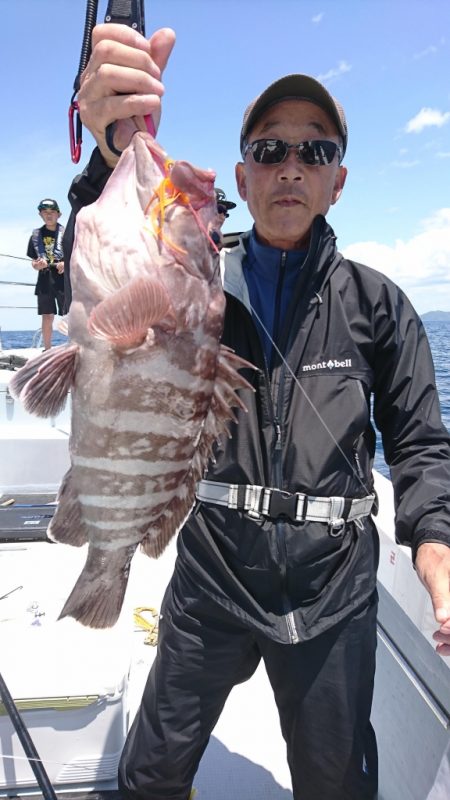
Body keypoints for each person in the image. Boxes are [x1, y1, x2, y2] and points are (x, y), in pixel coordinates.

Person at [63, 24, 450, 800]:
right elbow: (125, 263)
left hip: (332, 590)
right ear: (243, 177)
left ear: (338, 180)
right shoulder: (194, 285)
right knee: (150, 776)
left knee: (336, 786)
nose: (291, 168)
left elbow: (420, 449)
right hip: (212, 575)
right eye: (270, 151)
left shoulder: (381, 306)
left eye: (316, 151)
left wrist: (439, 561)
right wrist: (114, 144)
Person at [27, 199, 65, 350]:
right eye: (45, 213)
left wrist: (65, 264)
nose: (49, 216)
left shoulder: (68, 233)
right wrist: (37, 266)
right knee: (47, 315)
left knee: (70, 314)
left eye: (52, 212)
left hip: (64, 280)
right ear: (40, 215)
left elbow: (77, 255)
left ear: (59, 214)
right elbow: (33, 261)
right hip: (44, 280)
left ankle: (75, 345)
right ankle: (47, 348)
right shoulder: (35, 236)